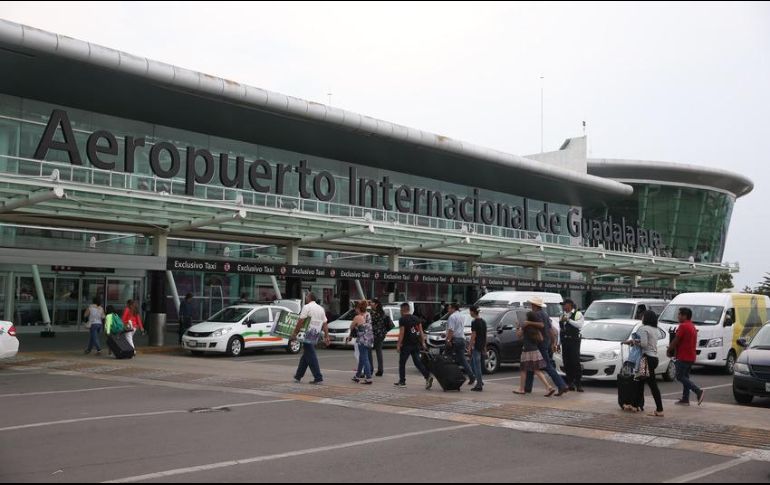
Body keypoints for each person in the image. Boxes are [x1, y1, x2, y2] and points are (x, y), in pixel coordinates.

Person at [524, 297, 569, 396]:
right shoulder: (545, 314)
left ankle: (562, 385)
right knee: (532, 364)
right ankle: (527, 387)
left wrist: (528, 323)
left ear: (535, 306)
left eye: (532, 305)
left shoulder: (537, 314)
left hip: (539, 343)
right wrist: (553, 342)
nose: (531, 306)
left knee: (546, 365)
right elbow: (551, 330)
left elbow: (542, 325)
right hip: (546, 342)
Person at [624, 311, 665, 417]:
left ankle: (659, 409)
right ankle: (634, 405)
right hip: (654, 358)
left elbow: (643, 344)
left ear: (646, 318)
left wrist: (632, 342)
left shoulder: (643, 328)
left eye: (642, 316)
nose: (641, 318)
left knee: (652, 385)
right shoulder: (655, 329)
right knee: (640, 381)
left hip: (646, 359)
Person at [668, 307, 705, 406]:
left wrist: (669, 349)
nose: (678, 316)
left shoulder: (683, 326)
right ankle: (685, 399)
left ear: (684, 316)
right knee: (685, 377)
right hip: (691, 356)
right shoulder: (692, 326)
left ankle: (698, 391)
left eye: (679, 314)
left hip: (684, 356)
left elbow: (676, 339)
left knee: (680, 376)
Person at [514, 310, 557, 396]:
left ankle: (521, 389)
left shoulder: (525, 326)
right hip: (535, 350)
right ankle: (549, 387)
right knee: (537, 370)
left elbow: (518, 335)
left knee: (523, 370)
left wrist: (518, 327)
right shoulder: (535, 328)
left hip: (526, 351)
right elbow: (541, 338)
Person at [292, 293, 329, 385]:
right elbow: (325, 324)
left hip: (306, 332)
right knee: (306, 355)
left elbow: (301, 321)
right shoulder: (321, 309)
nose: (306, 298)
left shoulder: (307, 307)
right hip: (315, 332)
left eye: (307, 297)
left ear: (309, 298)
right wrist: (326, 336)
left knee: (311, 355)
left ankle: (318, 377)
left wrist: (295, 333)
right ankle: (298, 376)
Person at [395, 302, 433, 389]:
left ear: (403, 309)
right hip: (416, 344)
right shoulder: (416, 318)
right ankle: (427, 376)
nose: (400, 311)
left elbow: (402, 333)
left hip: (406, 345)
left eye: (401, 310)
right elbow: (421, 331)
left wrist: (398, 344)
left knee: (402, 363)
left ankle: (402, 381)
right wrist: (423, 342)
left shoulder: (402, 319)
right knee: (417, 362)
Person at [445, 303, 476, 388]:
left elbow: (451, 329)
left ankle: (449, 377)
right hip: (462, 339)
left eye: (449, 308)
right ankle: (471, 376)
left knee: (447, 358)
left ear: (453, 308)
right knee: (463, 360)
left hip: (454, 339)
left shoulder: (452, 317)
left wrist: (448, 340)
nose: (448, 310)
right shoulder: (462, 316)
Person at [559, 299, 585, 392]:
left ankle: (578, 383)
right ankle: (570, 383)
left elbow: (579, 325)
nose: (563, 307)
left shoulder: (578, 314)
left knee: (575, 361)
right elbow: (561, 329)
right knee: (567, 362)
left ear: (569, 305)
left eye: (564, 305)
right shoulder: (562, 315)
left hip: (574, 340)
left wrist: (568, 320)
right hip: (565, 341)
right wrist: (558, 343)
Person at [347, 301, 374, 385]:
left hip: (362, 339)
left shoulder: (357, 317)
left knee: (364, 358)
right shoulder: (368, 315)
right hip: (369, 338)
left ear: (358, 309)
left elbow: (351, 327)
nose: (355, 310)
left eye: (356, 308)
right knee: (362, 358)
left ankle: (369, 377)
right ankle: (357, 376)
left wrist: (354, 326)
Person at [369, 299, 391, 377]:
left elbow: (369, 323)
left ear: (376, 304)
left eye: (372, 302)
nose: (370, 303)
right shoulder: (382, 313)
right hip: (381, 334)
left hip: (373, 335)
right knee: (379, 352)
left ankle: (370, 369)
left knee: (369, 351)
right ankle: (380, 370)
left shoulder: (372, 313)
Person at [469, 306, 487, 392]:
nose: (470, 313)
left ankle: (479, 384)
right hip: (481, 344)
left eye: (470, 311)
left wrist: (469, 346)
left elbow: (473, 335)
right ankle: (479, 380)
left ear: (473, 312)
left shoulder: (474, 322)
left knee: (477, 365)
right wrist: (485, 346)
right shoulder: (483, 322)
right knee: (473, 363)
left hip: (476, 345)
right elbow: (485, 335)